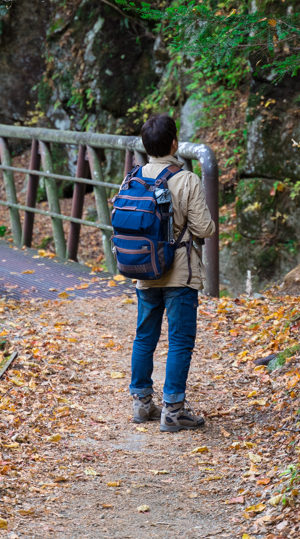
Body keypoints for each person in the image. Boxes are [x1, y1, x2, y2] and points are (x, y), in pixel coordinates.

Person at [128, 113, 217, 432]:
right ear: (175, 143)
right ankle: (173, 410)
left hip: (144, 271)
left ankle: (142, 404)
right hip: (180, 274)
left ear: (145, 145)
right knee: (180, 340)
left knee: (144, 336)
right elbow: (204, 228)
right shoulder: (186, 179)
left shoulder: (133, 178)